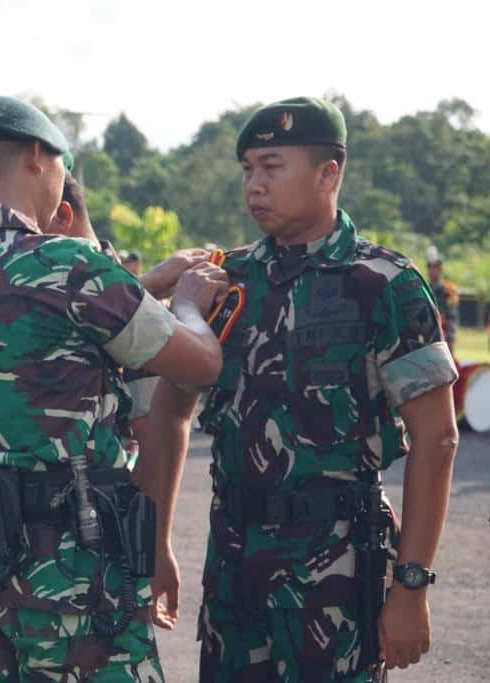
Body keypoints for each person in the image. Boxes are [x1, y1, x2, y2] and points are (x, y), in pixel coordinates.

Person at [0, 95, 227, 681]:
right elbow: (200, 363)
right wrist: (185, 303)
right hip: (78, 578)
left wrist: (145, 286)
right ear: (37, 156)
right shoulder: (69, 265)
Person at [189, 96, 459, 681]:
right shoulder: (227, 282)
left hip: (333, 575)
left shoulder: (383, 284)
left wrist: (411, 586)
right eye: (247, 170)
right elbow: (169, 404)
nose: (253, 185)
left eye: (272, 166)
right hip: (233, 567)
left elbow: (436, 438)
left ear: (328, 172)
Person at [45, 173, 210, 633]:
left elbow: (158, 425)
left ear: (61, 216)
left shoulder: (108, 289)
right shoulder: (83, 283)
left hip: (98, 538)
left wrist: (156, 545)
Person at [426, 246, 459, 357]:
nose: (433, 270)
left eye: (436, 267)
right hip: (429, 336)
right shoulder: (424, 288)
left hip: (445, 334)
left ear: (440, 268)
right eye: (431, 267)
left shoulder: (448, 289)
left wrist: (450, 335)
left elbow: (452, 313)